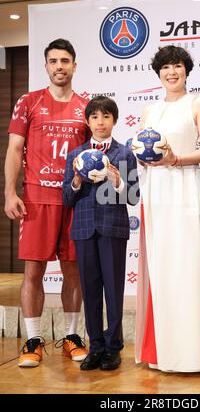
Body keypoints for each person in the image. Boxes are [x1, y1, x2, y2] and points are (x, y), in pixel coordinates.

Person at [4, 38, 89, 367]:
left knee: (73, 272)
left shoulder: (86, 106)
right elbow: (14, 150)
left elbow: (94, 155)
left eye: (65, 61)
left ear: (74, 66)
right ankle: (33, 340)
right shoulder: (28, 102)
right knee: (33, 272)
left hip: (74, 201)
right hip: (37, 200)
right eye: (53, 61)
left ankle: (71, 336)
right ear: (45, 66)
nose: (59, 66)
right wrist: (10, 193)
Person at [135, 45, 200, 372]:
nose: (172, 72)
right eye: (166, 67)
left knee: (185, 267)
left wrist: (176, 159)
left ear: (186, 70)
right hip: (154, 192)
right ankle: (160, 352)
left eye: (177, 66)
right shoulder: (149, 110)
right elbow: (141, 151)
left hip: (183, 189)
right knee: (160, 267)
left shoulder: (198, 104)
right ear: (158, 72)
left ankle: (189, 356)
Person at [63, 96, 140, 371]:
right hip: (84, 231)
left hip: (113, 230)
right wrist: (75, 179)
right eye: (94, 117)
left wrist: (117, 180)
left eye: (106, 116)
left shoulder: (124, 153)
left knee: (114, 290)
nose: (100, 122)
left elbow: (133, 196)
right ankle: (95, 346)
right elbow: (66, 199)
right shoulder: (75, 155)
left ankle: (113, 348)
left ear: (114, 121)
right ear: (87, 121)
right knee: (91, 291)